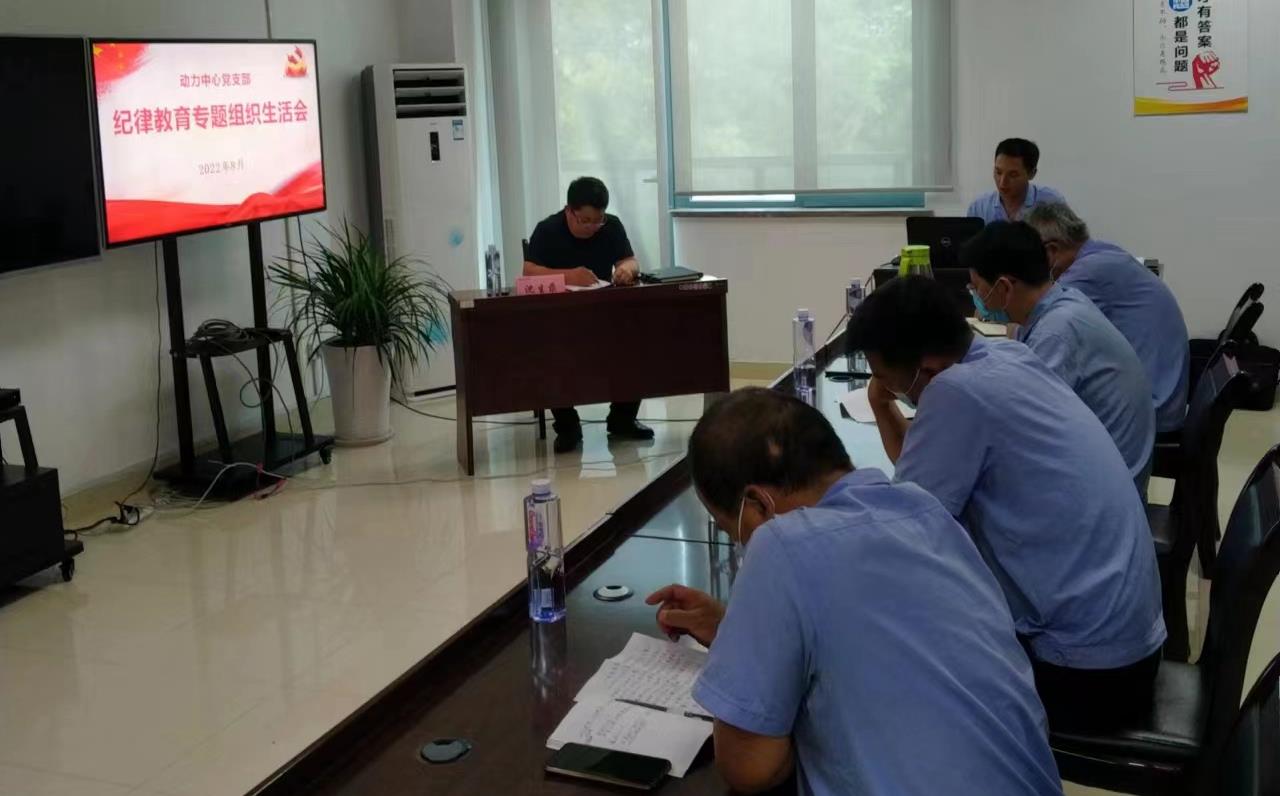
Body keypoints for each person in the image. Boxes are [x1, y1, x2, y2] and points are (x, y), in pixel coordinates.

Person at [647, 388, 1064, 796]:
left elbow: (750, 768)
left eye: (732, 530)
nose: (741, 544)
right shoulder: (925, 509)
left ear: (758, 505)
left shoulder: (781, 541)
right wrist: (736, 632)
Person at [846, 276, 1166, 733]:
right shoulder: (1008, 357)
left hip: (1088, 675)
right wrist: (884, 404)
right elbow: (927, 475)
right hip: (1127, 643)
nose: (882, 387)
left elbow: (904, 535)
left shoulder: (956, 393)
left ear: (928, 369)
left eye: (882, 377)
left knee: (887, 659)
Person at [961, 221, 1156, 495]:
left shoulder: (1056, 333)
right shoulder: (1062, 302)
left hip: (1104, 490)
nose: (976, 298)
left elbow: (1023, 429)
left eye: (977, 288)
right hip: (1107, 470)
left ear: (1004, 288)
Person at [1026, 202, 1190, 434]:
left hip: (1152, 412)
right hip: (1163, 398)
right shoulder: (1103, 252)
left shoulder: (1087, 272)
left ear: (1051, 251)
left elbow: (1037, 325)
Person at [523, 176, 652, 452]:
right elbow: (529, 272)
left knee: (637, 341)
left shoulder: (612, 226)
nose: (592, 227)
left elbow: (629, 259)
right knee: (549, 351)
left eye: (598, 221)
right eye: (585, 220)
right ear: (569, 211)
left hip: (602, 314)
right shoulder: (547, 230)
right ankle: (567, 427)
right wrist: (569, 276)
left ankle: (622, 420)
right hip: (558, 320)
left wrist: (627, 270)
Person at [967, 138, 1065, 224]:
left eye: (1013, 175)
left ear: (1032, 173)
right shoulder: (978, 208)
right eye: (998, 172)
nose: (1002, 182)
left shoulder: (1052, 203)